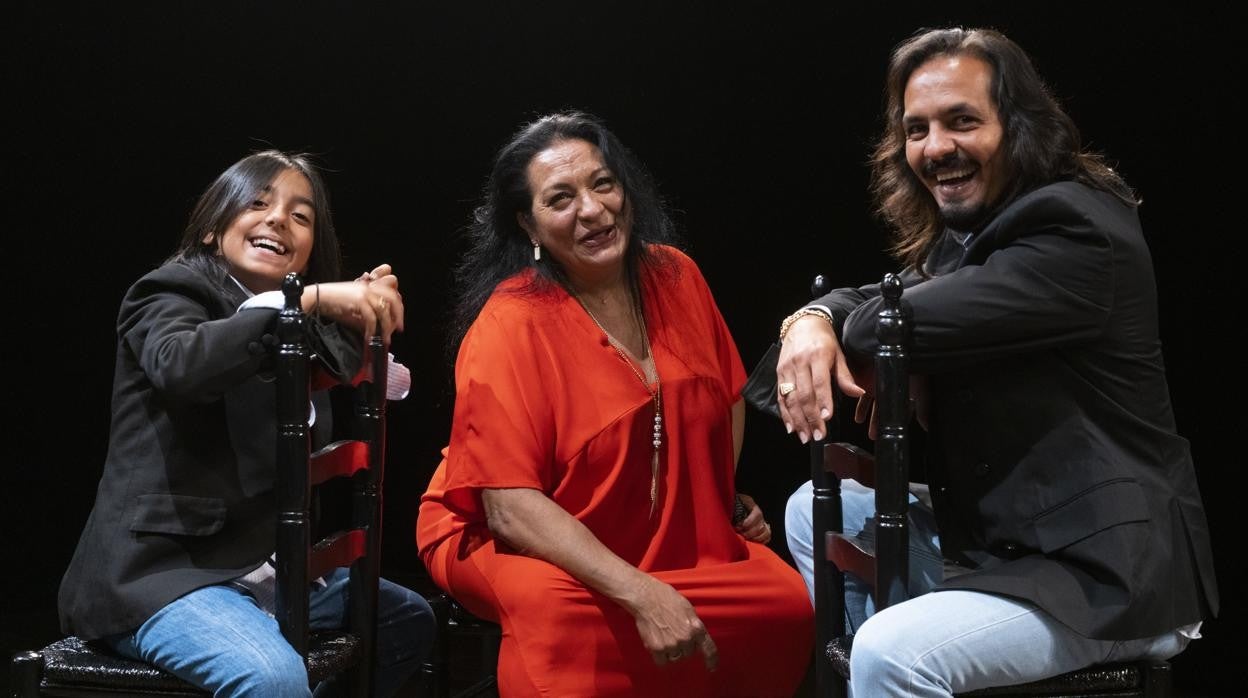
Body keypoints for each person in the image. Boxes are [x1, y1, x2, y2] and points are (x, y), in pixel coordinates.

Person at [776, 27, 1218, 696]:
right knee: (815, 508)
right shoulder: (976, 237)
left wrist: (879, 336)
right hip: (1011, 548)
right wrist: (810, 321)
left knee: (894, 654)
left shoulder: (1073, 229)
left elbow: (887, 320)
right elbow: (882, 304)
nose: (937, 148)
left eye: (962, 121)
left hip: (1107, 575)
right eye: (917, 129)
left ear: (1018, 127)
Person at [417, 111, 812, 696]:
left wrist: (712, 499)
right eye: (561, 199)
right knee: (558, 615)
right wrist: (639, 591)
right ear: (529, 224)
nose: (594, 210)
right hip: (499, 529)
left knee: (784, 604)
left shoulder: (677, 276)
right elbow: (508, 506)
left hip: (652, 531)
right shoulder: (509, 322)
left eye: (603, 184)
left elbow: (725, 397)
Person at [58, 150, 435, 697]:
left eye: (300, 216)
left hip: (264, 570)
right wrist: (305, 300)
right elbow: (180, 365)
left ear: (308, 251)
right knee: (272, 678)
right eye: (257, 204)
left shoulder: (295, 324)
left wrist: (360, 310)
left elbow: (357, 374)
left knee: (405, 619)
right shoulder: (172, 290)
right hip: (162, 578)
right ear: (213, 228)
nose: (279, 219)